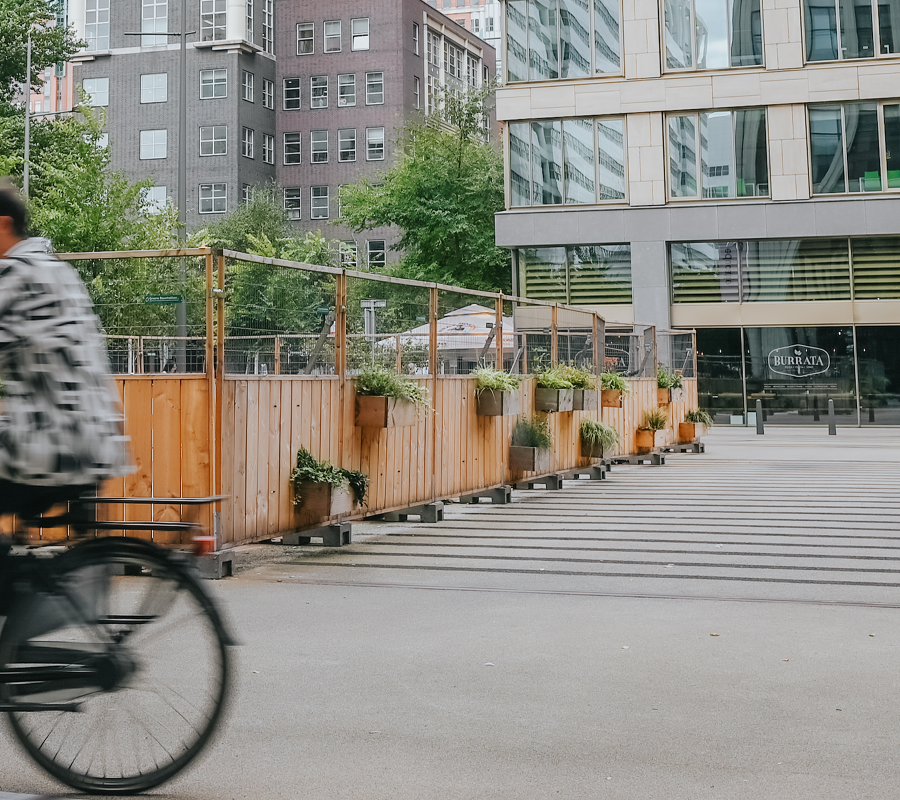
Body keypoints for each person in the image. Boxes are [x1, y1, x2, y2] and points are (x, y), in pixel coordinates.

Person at [0, 183, 132, 516]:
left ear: (3, 225)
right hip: (98, 442)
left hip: (50, 447)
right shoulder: (59, 271)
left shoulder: (15, 274)